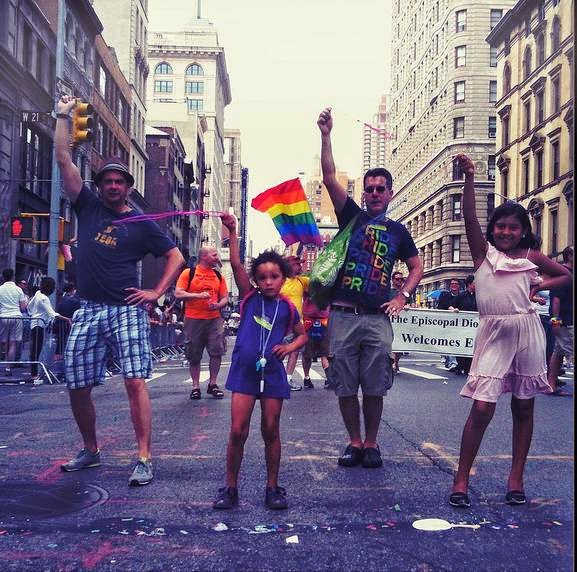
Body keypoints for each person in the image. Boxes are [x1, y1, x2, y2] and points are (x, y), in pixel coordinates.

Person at [55, 94, 185, 486]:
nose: (113, 186)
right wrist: (63, 115)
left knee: (134, 381)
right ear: (100, 186)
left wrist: (156, 293)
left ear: (128, 187)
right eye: (107, 181)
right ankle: (91, 450)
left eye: (119, 181)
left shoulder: (143, 223)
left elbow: (176, 257)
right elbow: (63, 155)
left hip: (127, 310)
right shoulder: (88, 206)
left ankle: (144, 456)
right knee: (77, 383)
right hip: (89, 309)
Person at [448, 154, 571, 508]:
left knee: (523, 406)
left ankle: (515, 478)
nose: (505, 231)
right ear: (493, 229)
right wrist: (470, 178)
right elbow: (471, 217)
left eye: (512, 227)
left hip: (528, 331)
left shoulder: (531, 255)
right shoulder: (482, 254)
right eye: (500, 226)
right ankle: (461, 479)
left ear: (522, 231)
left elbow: (566, 275)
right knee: (482, 407)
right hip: (494, 333)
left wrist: (538, 287)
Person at [317, 107, 423, 469]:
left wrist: (402, 295)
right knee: (345, 385)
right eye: (369, 189)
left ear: (390, 193)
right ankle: (354, 442)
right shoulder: (352, 216)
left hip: (378, 318)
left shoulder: (398, 230)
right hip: (344, 316)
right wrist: (326, 134)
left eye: (380, 189)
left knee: (375, 387)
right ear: (363, 194)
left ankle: (373, 444)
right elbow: (330, 176)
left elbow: (416, 264)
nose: (374, 194)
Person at [213, 214, 307, 510]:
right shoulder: (248, 298)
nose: (268, 282)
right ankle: (230, 487)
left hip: (274, 375)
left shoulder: (288, 307)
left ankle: (272, 487)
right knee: (238, 429)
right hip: (244, 373)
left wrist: (289, 345)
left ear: (283, 278)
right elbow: (238, 265)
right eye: (263, 277)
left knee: (271, 429)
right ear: (256, 280)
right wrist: (233, 230)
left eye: (274, 276)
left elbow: (302, 336)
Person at [175, 247, 229, 400]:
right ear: (204, 257)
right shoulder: (189, 273)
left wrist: (219, 305)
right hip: (193, 318)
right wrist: (198, 295)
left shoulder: (218, 275)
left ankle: (213, 384)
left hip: (214, 318)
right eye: (214, 255)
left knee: (217, 351)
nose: (217, 257)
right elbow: (178, 293)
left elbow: (224, 297)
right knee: (194, 353)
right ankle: (195, 386)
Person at [26, 277, 71, 379]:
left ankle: (34, 373)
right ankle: (34, 374)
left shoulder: (38, 294)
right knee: (36, 350)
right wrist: (67, 319)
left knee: (35, 350)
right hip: (39, 325)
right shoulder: (44, 298)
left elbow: (29, 307)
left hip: (35, 323)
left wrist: (34, 314)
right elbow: (52, 314)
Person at [280, 255, 309, 390]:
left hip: (298, 323)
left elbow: (319, 283)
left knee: (295, 351)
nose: (301, 267)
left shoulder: (302, 281)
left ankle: (288, 379)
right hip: (281, 322)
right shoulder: (280, 281)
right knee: (279, 351)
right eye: (298, 264)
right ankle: (273, 377)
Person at [547, 245, 573, 395]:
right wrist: (555, 321)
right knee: (565, 351)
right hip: (565, 320)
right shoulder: (563, 273)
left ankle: (551, 384)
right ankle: (550, 384)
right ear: (569, 256)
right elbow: (556, 299)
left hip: (568, 320)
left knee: (559, 352)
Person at [0, 268, 28, 375]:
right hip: (16, 316)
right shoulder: (18, 290)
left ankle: (3, 353)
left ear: (3, 277)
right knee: (13, 343)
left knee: (4, 342)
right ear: (13, 276)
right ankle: (8, 367)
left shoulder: (0, 289)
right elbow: (23, 307)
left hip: (3, 317)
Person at [301, 291, 331, 389]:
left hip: (316, 319)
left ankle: (309, 379)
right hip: (316, 320)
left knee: (320, 353)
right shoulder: (306, 281)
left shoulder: (306, 282)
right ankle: (327, 379)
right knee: (320, 353)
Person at [448, 274, 477, 375]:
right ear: (469, 284)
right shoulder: (462, 296)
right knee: (462, 345)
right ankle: (460, 365)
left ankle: (469, 367)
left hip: (474, 327)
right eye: (475, 282)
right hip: (462, 327)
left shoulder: (479, 296)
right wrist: (454, 310)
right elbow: (451, 306)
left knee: (471, 346)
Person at [389, 271, 415, 375]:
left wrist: (409, 306)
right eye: (397, 279)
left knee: (400, 345)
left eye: (401, 279)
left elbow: (413, 304)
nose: (400, 281)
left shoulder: (406, 293)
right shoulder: (389, 292)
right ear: (393, 280)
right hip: (391, 322)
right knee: (393, 344)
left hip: (403, 324)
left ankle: (396, 362)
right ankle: (393, 364)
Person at [437, 278, 461, 371]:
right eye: (452, 284)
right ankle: (450, 360)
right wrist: (449, 308)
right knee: (447, 342)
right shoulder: (444, 295)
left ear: (459, 286)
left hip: (458, 324)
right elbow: (441, 306)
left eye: (456, 284)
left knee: (453, 342)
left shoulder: (461, 296)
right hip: (445, 323)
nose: (453, 285)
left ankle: (453, 362)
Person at [54, 283, 81, 360]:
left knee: (60, 342)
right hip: (70, 323)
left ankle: (57, 359)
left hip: (60, 322)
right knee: (70, 342)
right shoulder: (75, 301)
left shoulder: (61, 299)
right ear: (73, 290)